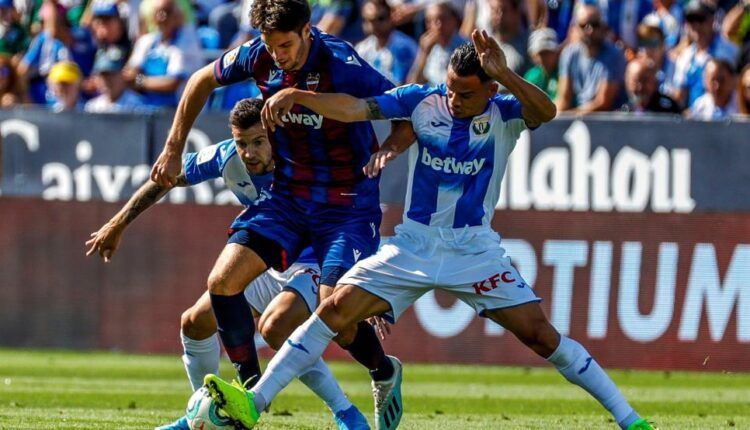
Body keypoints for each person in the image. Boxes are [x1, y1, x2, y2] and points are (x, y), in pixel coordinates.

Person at [202, 31, 656, 430]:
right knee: (334, 310)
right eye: (451, 90)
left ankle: (630, 420)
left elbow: (548, 110)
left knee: (541, 336)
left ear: (491, 89)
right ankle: (254, 403)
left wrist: (509, 75)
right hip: (414, 245)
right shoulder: (424, 99)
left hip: (473, 251)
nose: (453, 100)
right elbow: (358, 108)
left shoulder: (505, 112)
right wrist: (301, 97)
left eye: (465, 94)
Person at [149, 0, 411, 428]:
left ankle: (383, 371)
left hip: (346, 204)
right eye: (271, 46)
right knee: (221, 282)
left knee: (334, 312)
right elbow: (199, 81)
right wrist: (173, 148)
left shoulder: (342, 64)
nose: (278, 56)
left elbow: (406, 112)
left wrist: (387, 150)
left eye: (286, 45)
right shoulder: (259, 54)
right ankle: (248, 397)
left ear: (308, 30)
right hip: (291, 197)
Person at [85, 98, 369, 430]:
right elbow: (166, 176)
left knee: (277, 327)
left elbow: (354, 211)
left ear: (275, 134)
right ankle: (205, 412)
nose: (249, 153)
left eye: (259, 142)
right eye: (242, 143)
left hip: (315, 261)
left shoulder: (306, 158)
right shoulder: (225, 157)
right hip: (269, 262)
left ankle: (346, 413)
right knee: (194, 323)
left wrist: (358, 279)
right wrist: (117, 224)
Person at [124, 0, 203, 108]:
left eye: (167, 12)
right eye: (158, 13)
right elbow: (129, 74)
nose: (162, 17)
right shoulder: (146, 41)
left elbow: (171, 84)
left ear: (176, 15)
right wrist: (142, 80)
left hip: (176, 110)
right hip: (144, 108)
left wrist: (141, 81)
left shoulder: (186, 43)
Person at [556, 3, 627, 113]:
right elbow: (564, 98)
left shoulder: (614, 55)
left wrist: (569, 116)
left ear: (602, 26)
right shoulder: (569, 54)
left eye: (594, 24)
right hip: (580, 115)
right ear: (575, 28)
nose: (590, 30)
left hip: (608, 120)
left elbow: (603, 102)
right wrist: (556, 121)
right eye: (583, 25)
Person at [671, 0, 737, 109]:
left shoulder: (728, 51)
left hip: (724, 116)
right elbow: (680, 94)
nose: (696, 25)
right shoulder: (686, 56)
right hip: (695, 119)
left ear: (712, 21)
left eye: (701, 19)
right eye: (691, 20)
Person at [355, 0, 417, 85]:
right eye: (369, 20)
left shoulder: (403, 46)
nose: (374, 25)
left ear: (390, 17)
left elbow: (399, 85)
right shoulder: (362, 48)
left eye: (380, 18)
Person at [408, 2, 467, 86]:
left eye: (443, 19)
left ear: (454, 20)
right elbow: (413, 85)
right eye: (431, 21)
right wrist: (424, 54)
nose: (438, 25)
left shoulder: (466, 47)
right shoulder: (428, 47)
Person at [84, 46, 147, 113]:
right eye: (103, 75)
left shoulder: (138, 106)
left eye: (112, 74)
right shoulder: (92, 107)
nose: (107, 80)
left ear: (123, 74)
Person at [524, 27, 559, 99]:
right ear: (533, 55)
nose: (547, 57)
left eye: (550, 52)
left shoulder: (562, 75)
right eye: (542, 53)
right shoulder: (531, 76)